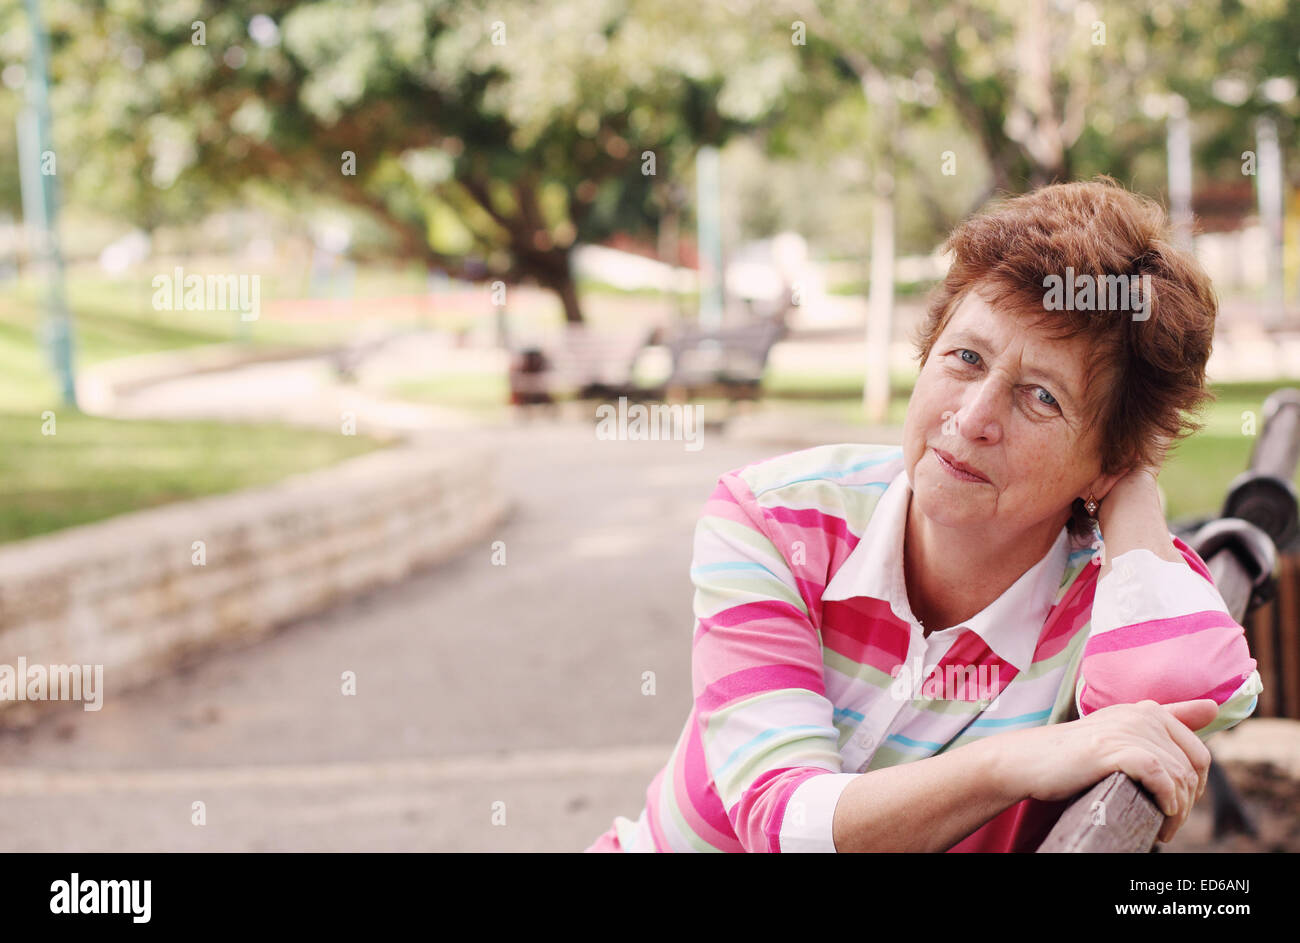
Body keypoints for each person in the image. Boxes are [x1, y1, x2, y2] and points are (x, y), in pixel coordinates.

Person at [584, 177, 1262, 853]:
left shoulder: (1104, 601)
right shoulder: (777, 517)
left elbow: (1205, 690)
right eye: (966, 358)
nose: (970, 419)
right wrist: (1018, 759)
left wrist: (1133, 492)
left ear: (1105, 463)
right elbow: (782, 821)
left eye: (1041, 399)